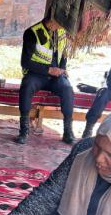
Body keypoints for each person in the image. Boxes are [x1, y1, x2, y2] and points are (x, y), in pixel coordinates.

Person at [18, 13, 75, 145]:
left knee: (67, 88)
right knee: (27, 85)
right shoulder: (32, 33)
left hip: (55, 76)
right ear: (53, 20)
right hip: (36, 74)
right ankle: (24, 129)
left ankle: (68, 131)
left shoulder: (62, 32)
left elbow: (63, 54)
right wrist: (48, 70)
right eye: (61, 22)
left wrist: (62, 68)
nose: (63, 25)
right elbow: (25, 62)